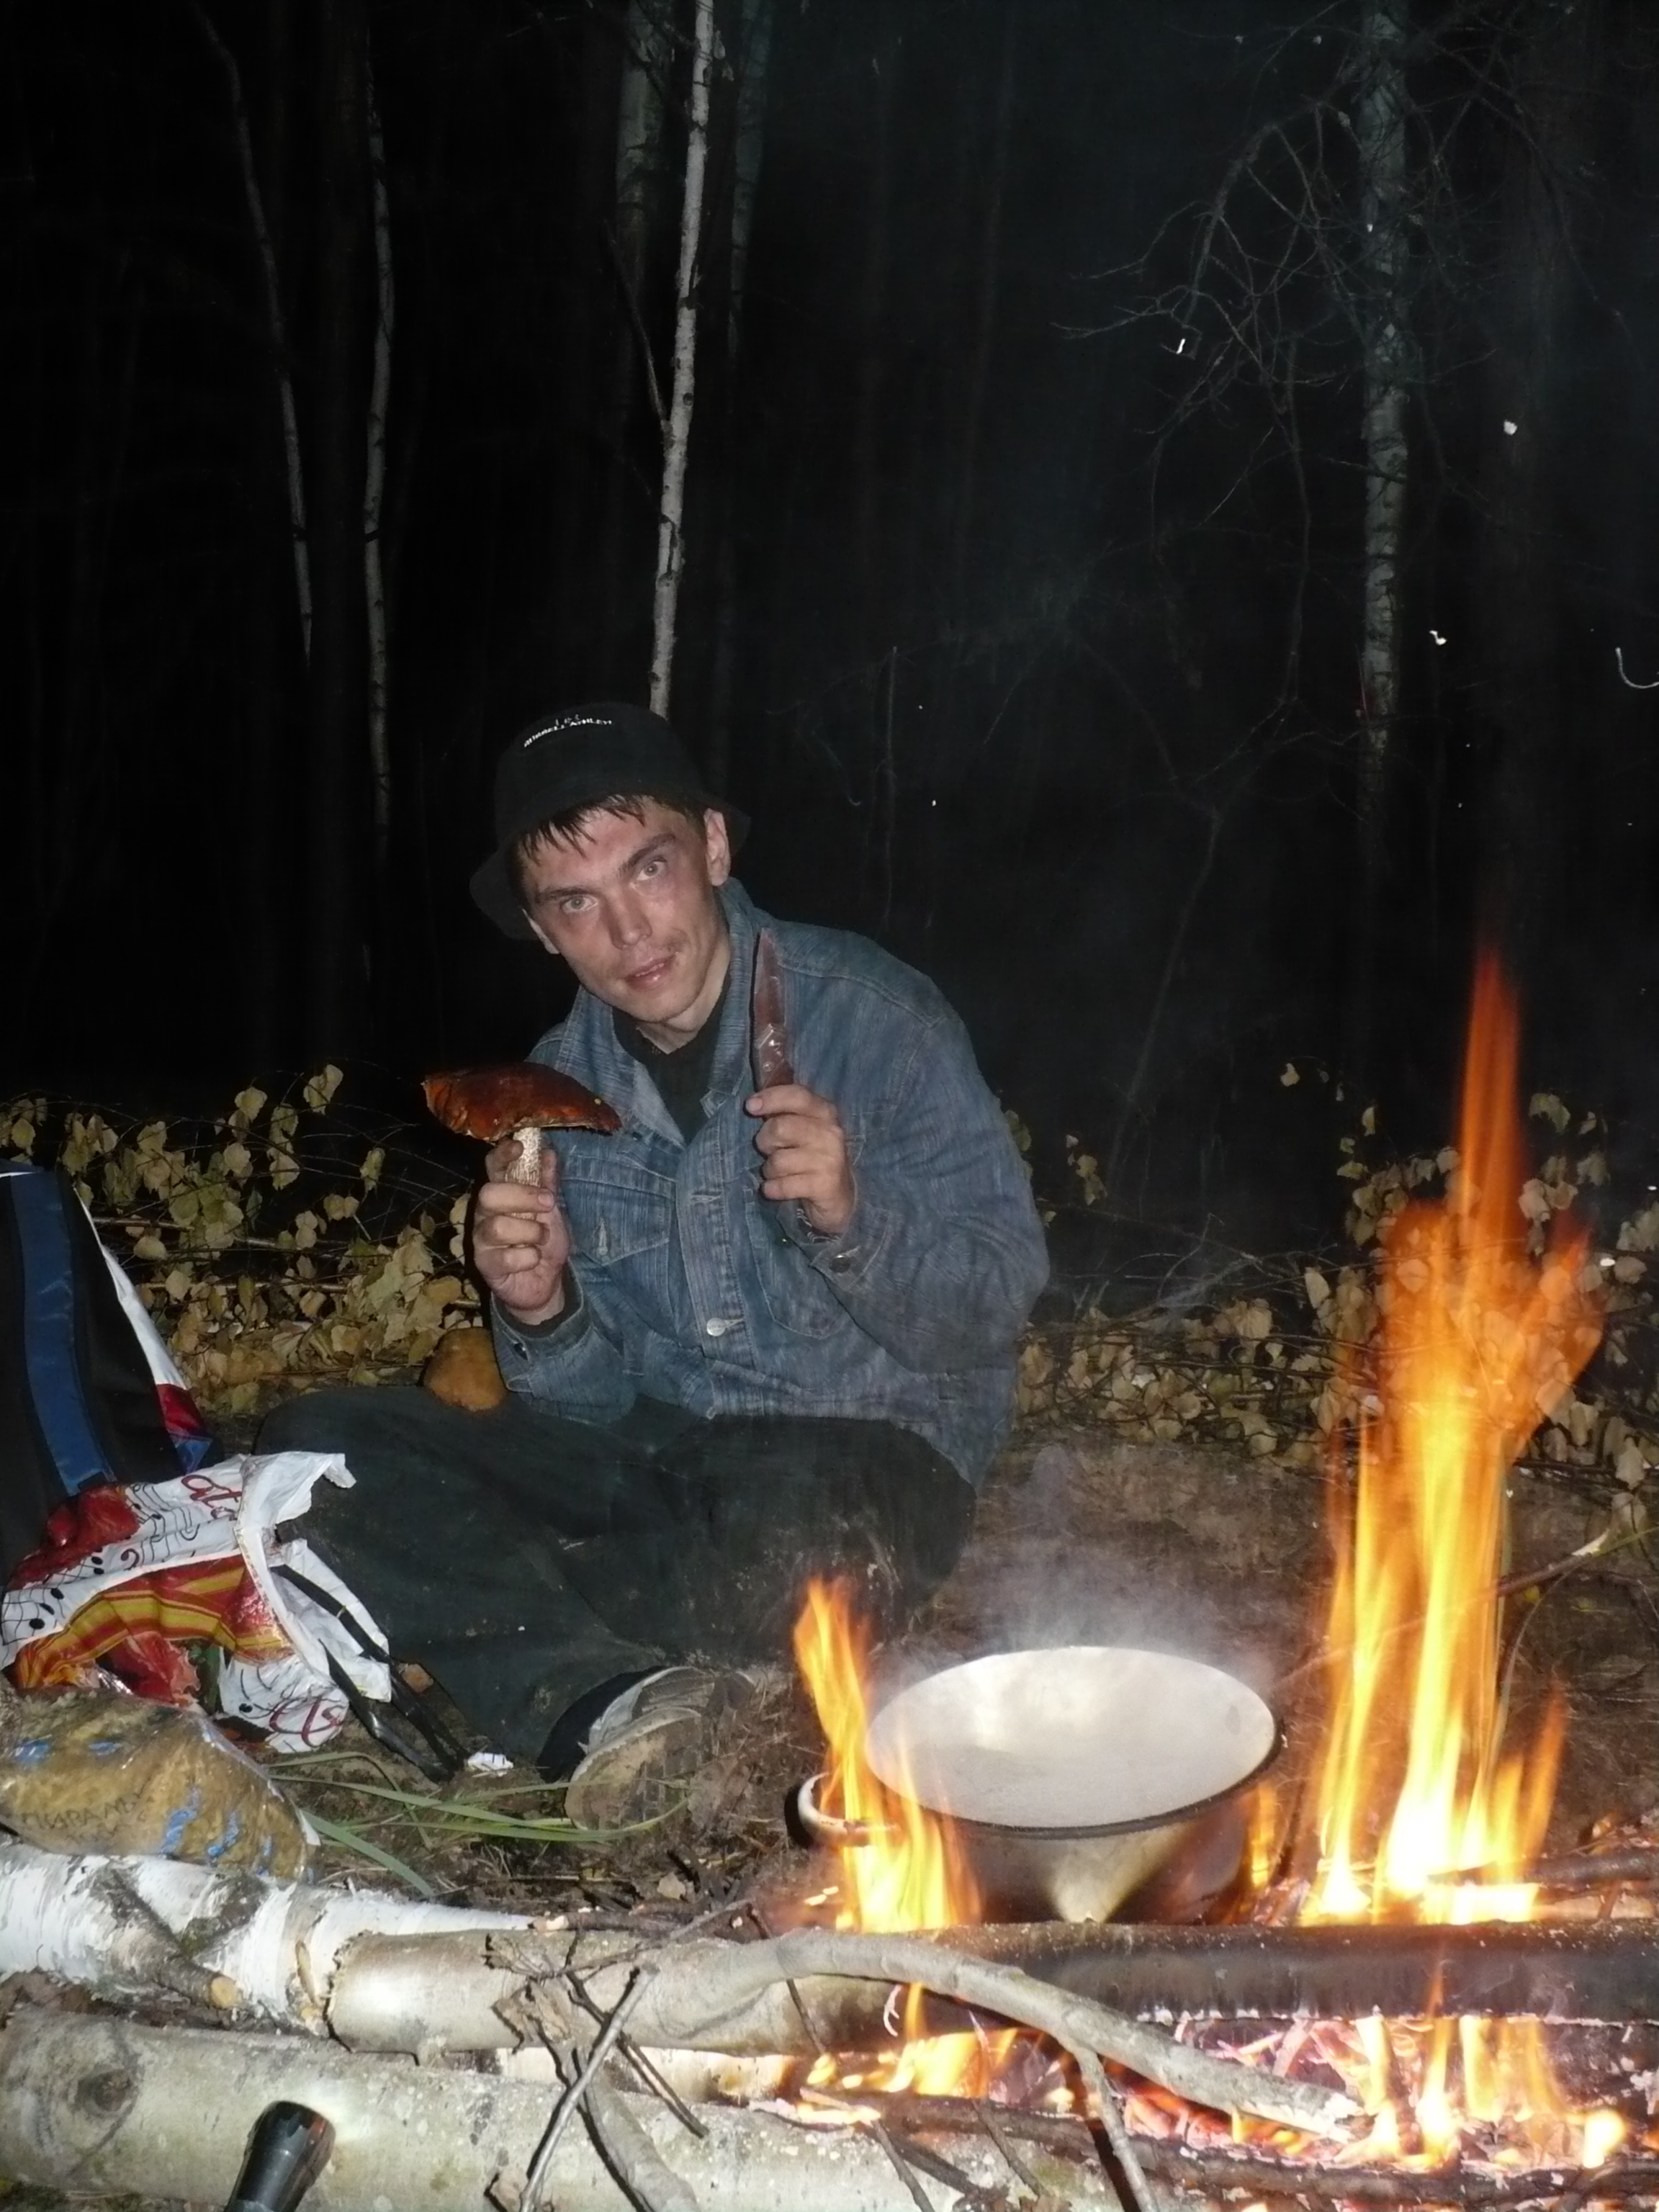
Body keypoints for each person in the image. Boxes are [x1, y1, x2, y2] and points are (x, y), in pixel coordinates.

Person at [261, 703, 1048, 1820]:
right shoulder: (553, 1091)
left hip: (862, 1461)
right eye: (575, 902)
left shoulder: (877, 1022)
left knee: (795, 1544)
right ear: (542, 931)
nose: (628, 932)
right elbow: (588, 1408)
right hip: (661, 1463)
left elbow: (994, 1306)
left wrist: (854, 1216)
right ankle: (613, 1694)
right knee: (310, 1447)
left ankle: (503, 1612)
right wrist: (541, 1308)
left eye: (650, 868)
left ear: (714, 847)